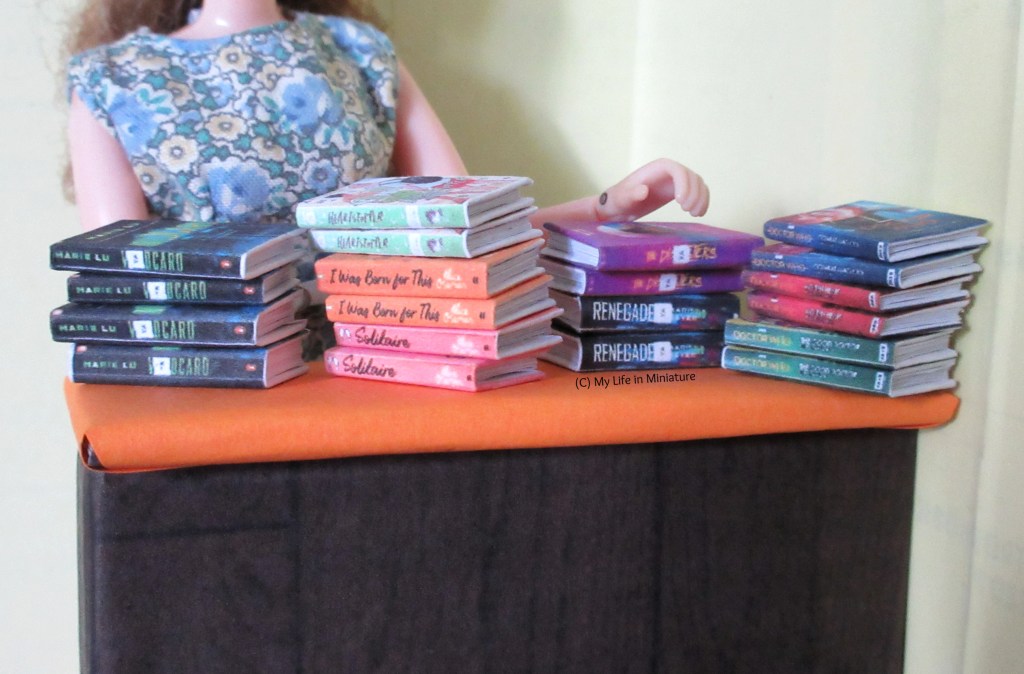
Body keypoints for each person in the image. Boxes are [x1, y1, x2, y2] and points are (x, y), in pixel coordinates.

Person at [64, 0, 710, 231]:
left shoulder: (358, 53)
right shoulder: (113, 79)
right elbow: (120, 282)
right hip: (213, 385)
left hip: (386, 364)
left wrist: (605, 207)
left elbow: (460, 227)